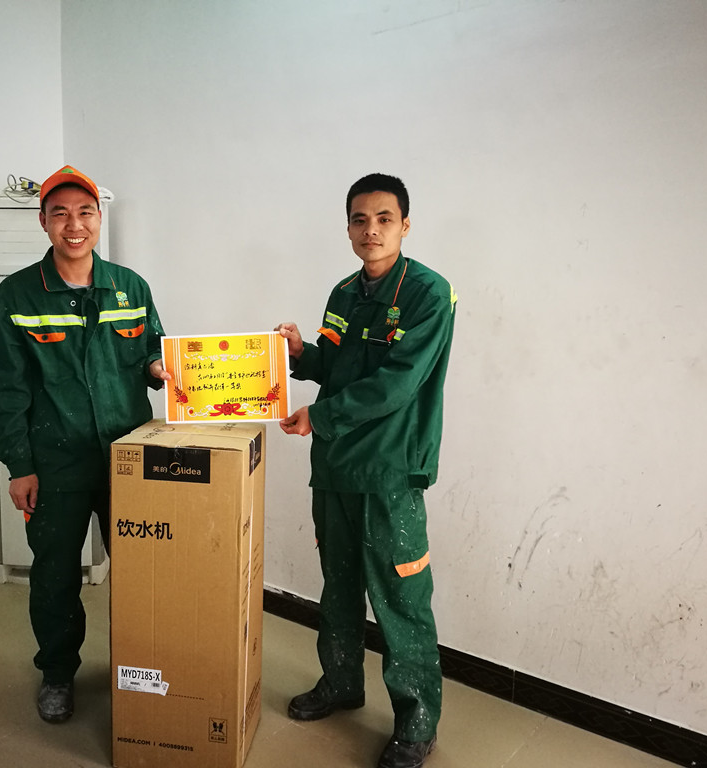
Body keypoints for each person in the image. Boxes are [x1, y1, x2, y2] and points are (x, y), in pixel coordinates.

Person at [275, 173, 456, 768]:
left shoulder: (429, 294)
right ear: (348, 227)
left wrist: (320, 416)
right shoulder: (344, 292)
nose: (370, 230)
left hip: (388, 471)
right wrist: (300, 355)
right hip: (335, 469)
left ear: (405, 225)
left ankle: (417, 724)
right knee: (339, 585)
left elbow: (398, 383)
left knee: (401, 598)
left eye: (384, 218)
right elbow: (337, 366)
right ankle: (341, 683)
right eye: (359, 219)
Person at [0, 164, 170, 723]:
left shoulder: (130, 287)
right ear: (43, 222)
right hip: (54, 465)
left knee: (141, 573)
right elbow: (6, 390)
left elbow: (156, 349)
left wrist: (160, 367)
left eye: (85, 212)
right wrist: (19, 465)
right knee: (56, 576)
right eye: (60, 213)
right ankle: (58, 673)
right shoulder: (16, 296)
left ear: (99, 218)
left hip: (128, 459)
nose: (74, 224)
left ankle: (142, 668)